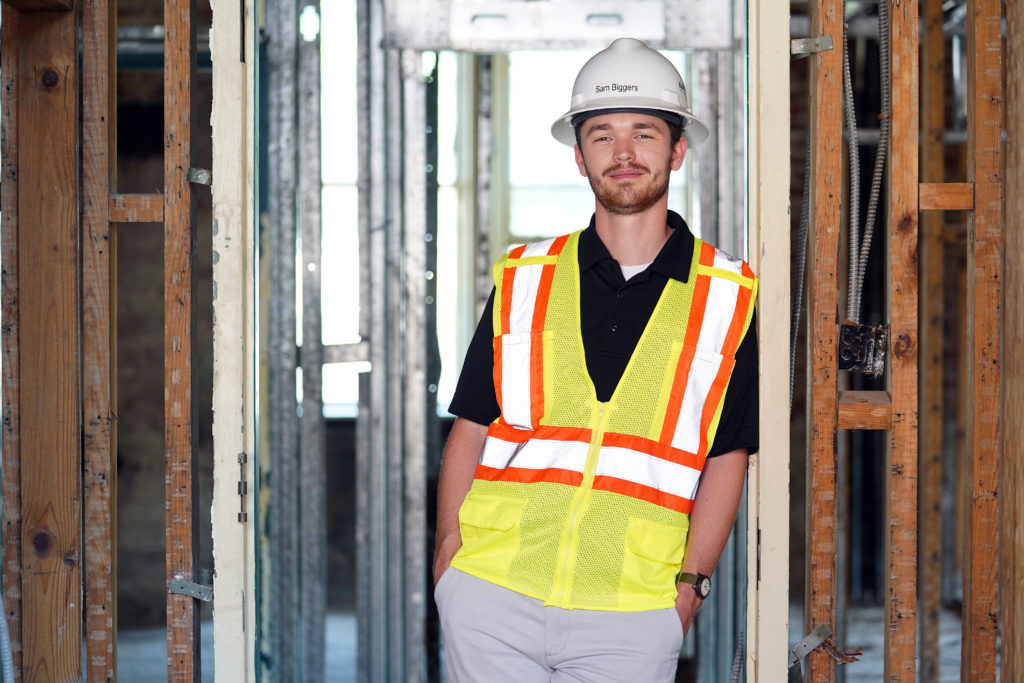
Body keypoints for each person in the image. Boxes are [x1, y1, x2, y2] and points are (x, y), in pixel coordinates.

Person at [432, 37, 758, 682]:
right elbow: (471, 424)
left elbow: (728, 456)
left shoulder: (728, 294)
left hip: (633, 609)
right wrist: (449, 557)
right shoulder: (526, 276)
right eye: (603, 136)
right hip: (491, 594)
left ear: (678, 150)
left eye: (645, 132)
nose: (625, 153)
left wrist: (690, 587)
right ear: (580, 158)